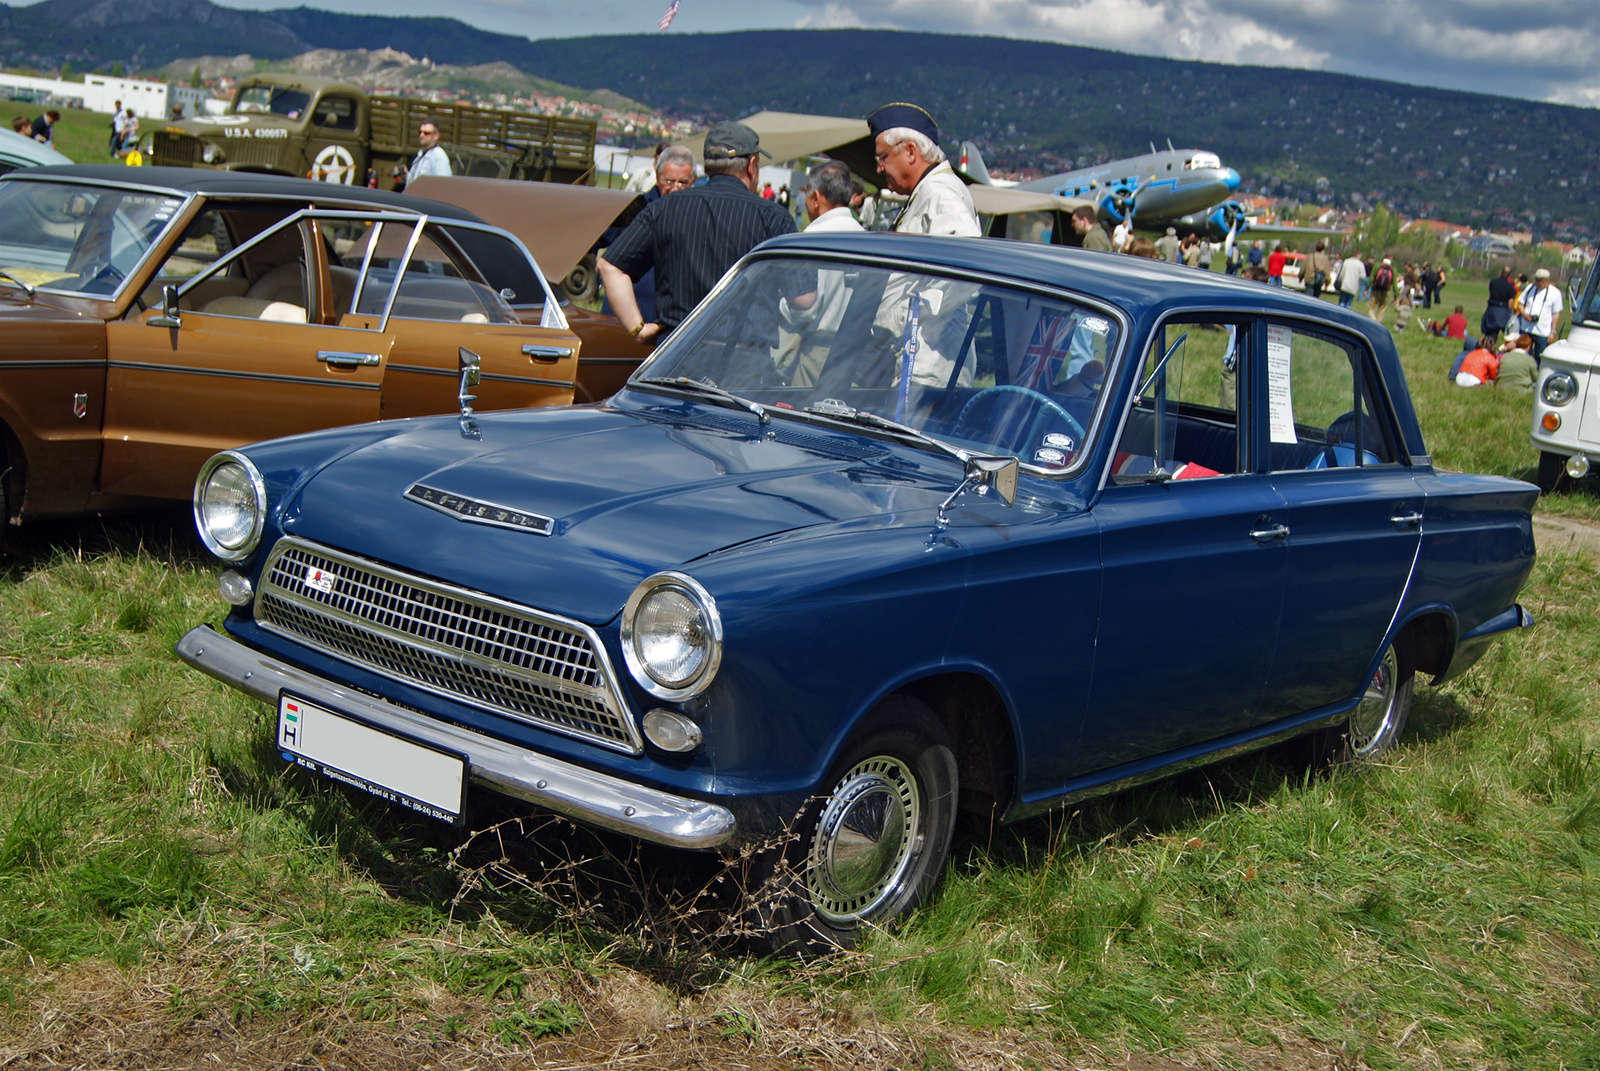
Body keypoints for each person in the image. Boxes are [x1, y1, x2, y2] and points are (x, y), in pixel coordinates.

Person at [596, 120, 796, 345]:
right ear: (751, 165)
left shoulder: (664, 208)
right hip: (745, 358)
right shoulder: (775, 218)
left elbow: (609, 266)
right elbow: (803, 299)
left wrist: (637, 329)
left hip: (676, 352)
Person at [599, 144, 696, 327]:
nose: (675, 189)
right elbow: (596, 239)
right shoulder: (634, 209)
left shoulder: (698, 214)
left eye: (683, 183)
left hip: (672, 321)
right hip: (627, 316)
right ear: (657, 177)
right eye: (669, 181)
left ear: (694, 180)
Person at [868, 102, 979, 237]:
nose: (879, 169)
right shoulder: (930, 190)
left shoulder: (939, 192)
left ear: (910, 152)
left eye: (883, 157)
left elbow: (962, 251)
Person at [1518, 267, 1564, 361]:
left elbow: (1555, 314)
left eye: (1540, 280)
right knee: (1522, 356)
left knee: (1540, 358)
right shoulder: (1530, 288)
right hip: (1526, 329)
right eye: (1536, 280)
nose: (1537, 282)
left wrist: (1553, 332)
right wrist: (1525, 314)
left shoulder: (1555, 293)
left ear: (1546, 280)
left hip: (1543, 331)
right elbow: (1520, 304)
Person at [1481, 266, 1515, 342]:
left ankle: (1488, 347)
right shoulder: (1510, 286)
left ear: (1500, 272)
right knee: (1508, 334)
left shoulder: (1493, 282)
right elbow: (1510, 302)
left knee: (1491, 334)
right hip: (1503, 310)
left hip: (1492, 309)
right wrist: (1510, 312)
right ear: (1509, 276)